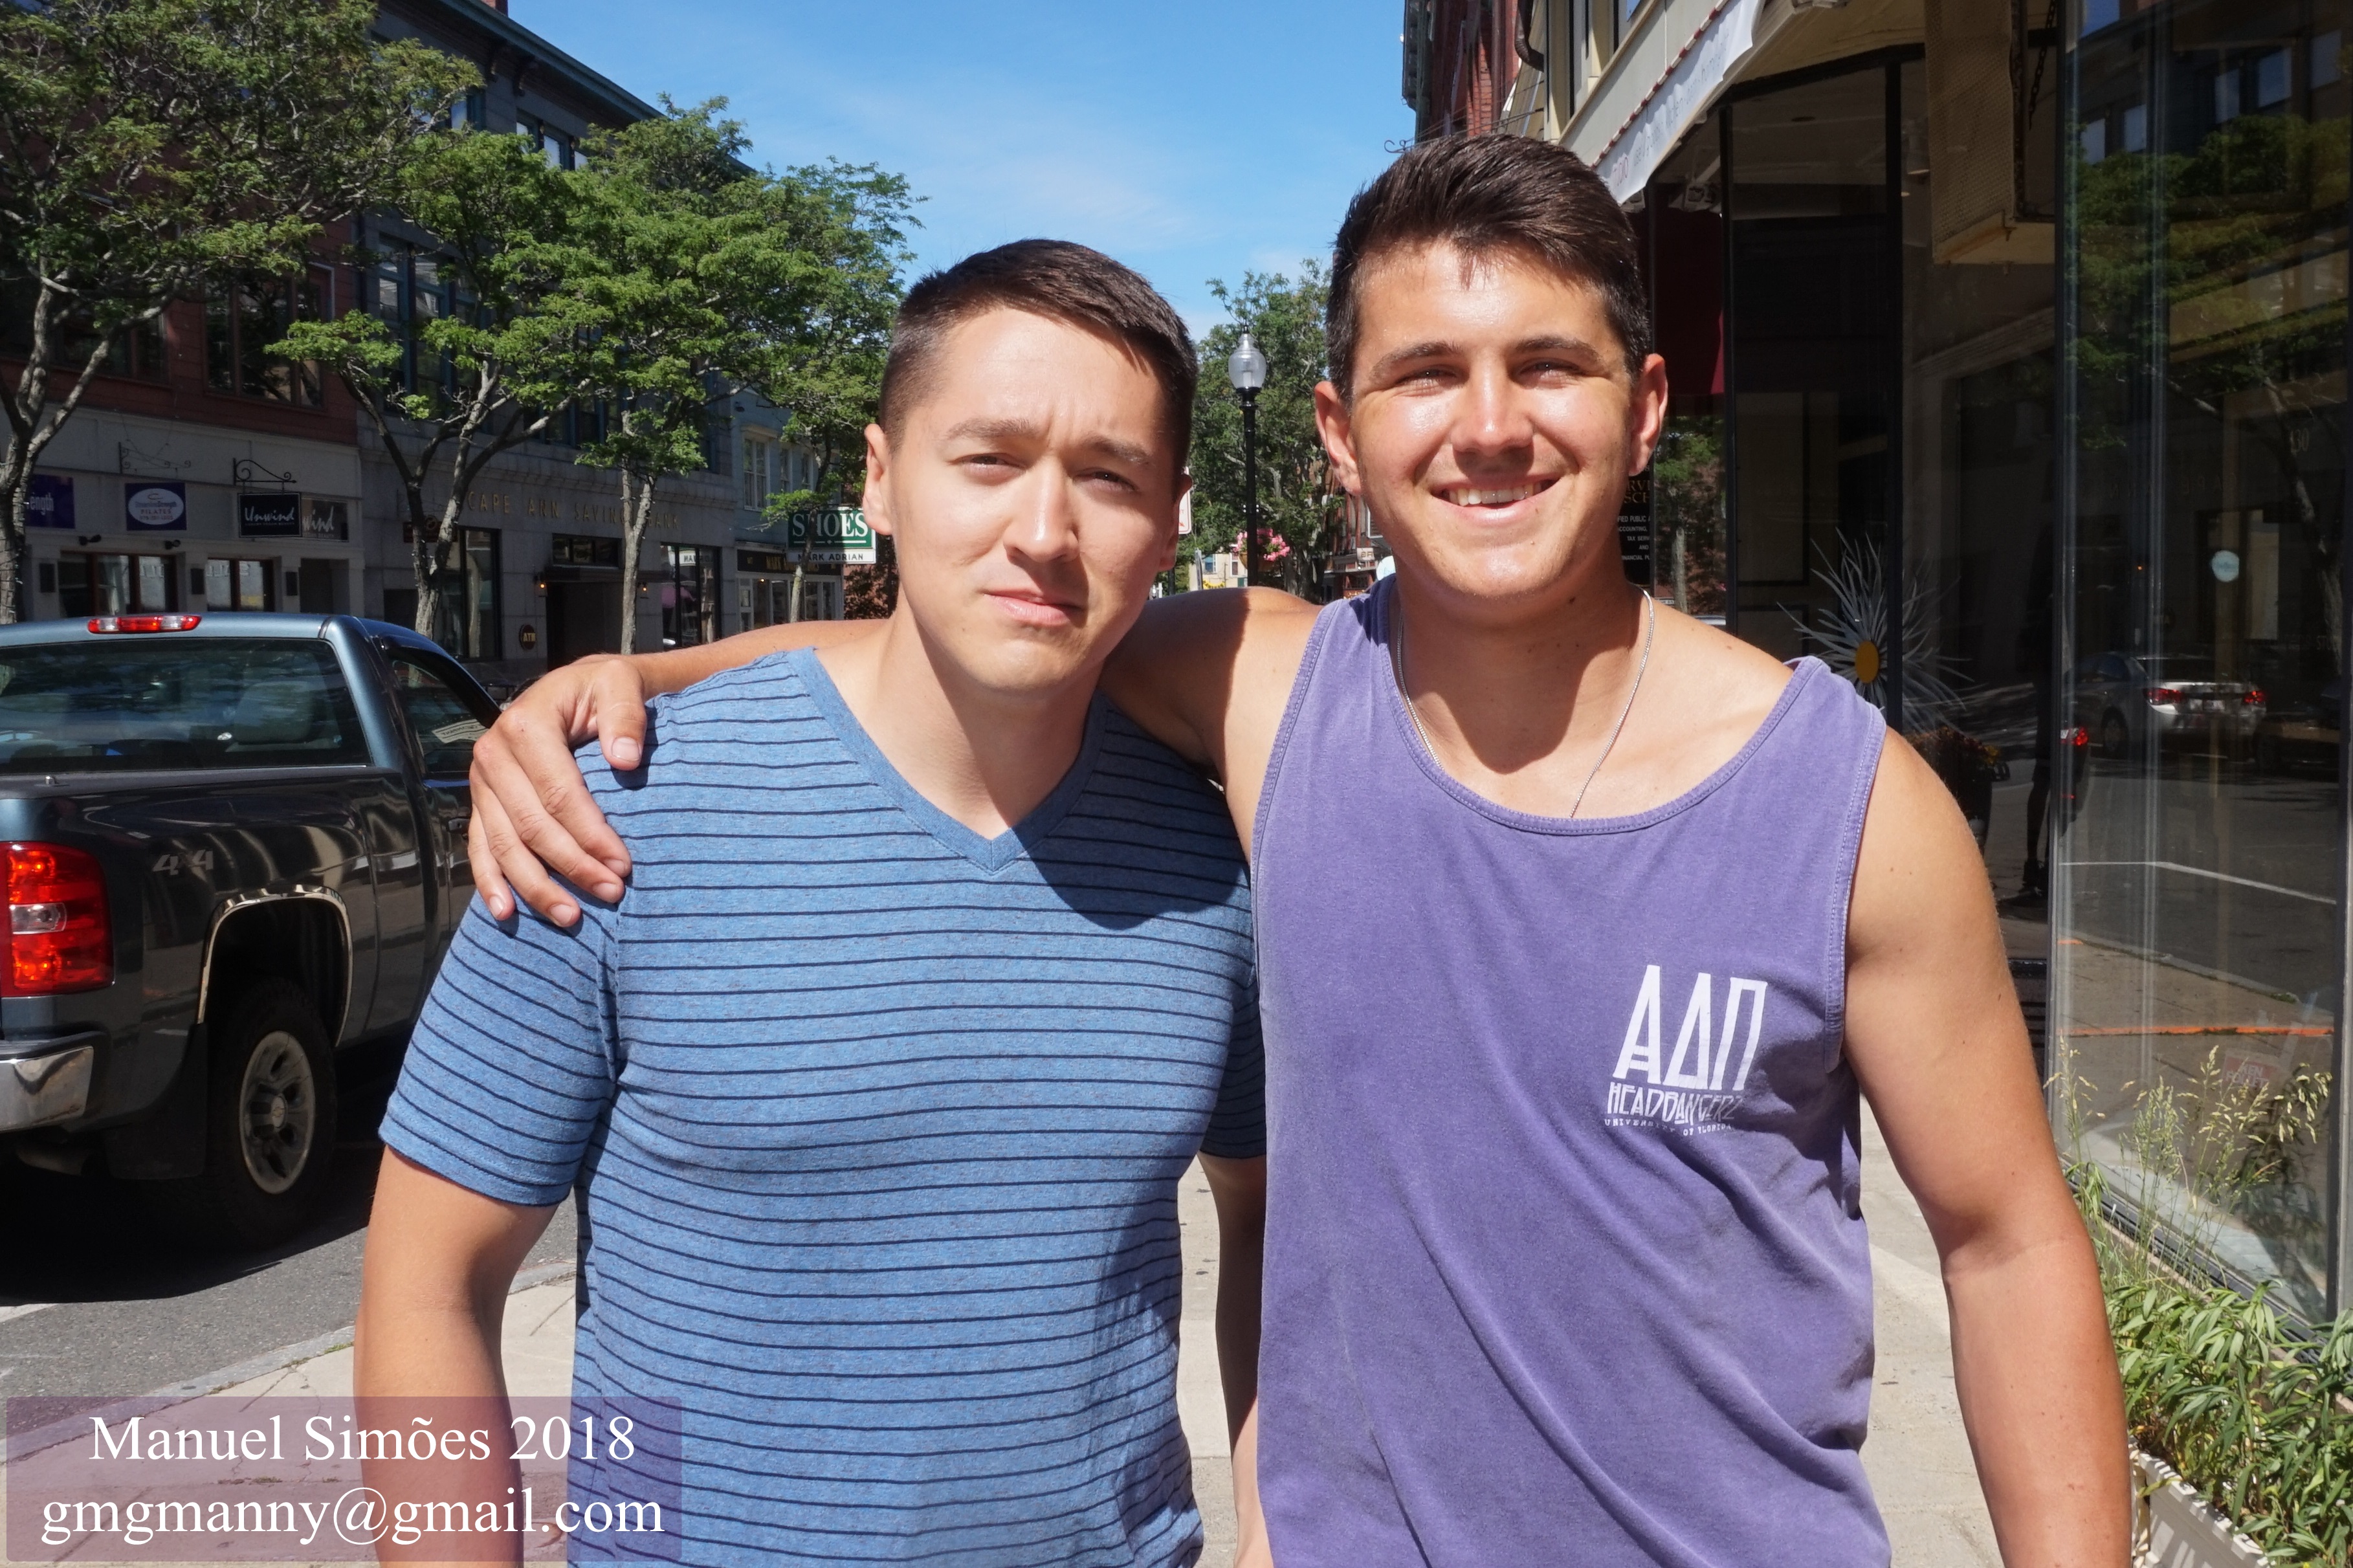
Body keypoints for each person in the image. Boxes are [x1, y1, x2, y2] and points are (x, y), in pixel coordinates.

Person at [467, 138, 2129, 1565]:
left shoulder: (1848, 803)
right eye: (1427, 373)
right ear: (1340, 431)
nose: (1490, 425)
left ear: (1644, 409)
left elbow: (2006, 1245)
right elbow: (980, 626)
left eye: (1548, 365)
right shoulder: (1270, 690)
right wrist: (636, 677)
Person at [356, 241, 1271, 1567]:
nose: (1043, 530)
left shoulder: (1215, 861)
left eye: (1108, 477)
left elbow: (1274, 1226)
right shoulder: (605, 819)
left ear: (1173, 519)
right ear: (880, 478)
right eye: (989, 458)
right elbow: (429, 1280)